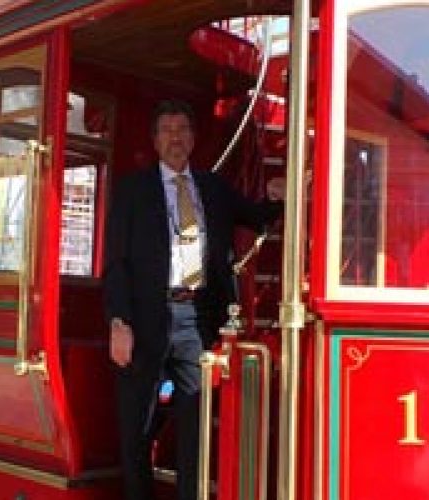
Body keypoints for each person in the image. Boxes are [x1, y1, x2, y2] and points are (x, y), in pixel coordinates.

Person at [103, 99, 282, 500]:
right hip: (145, 319)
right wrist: (119, 322)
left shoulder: (213, 187)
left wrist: (280, 193)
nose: (175, 138)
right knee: (137, 428)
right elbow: (116, 263)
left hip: (196, 319)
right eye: (167, 130)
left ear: (193, 138)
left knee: (195, 427)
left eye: (182, 130)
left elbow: (257, 216)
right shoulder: (133, 190)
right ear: (155, 140)